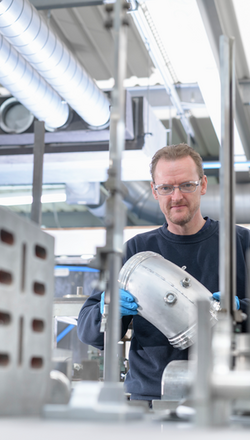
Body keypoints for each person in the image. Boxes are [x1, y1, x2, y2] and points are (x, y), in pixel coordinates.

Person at [77, 143, 250, 402]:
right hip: (151, 396)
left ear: (203, 185)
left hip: (227, 395)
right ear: (154, 191)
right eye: (166, 188)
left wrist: (240, 310)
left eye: (186, 185)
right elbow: (89, 332)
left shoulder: (240, 243)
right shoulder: (135, 251)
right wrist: (107, 309)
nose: (176, 196)